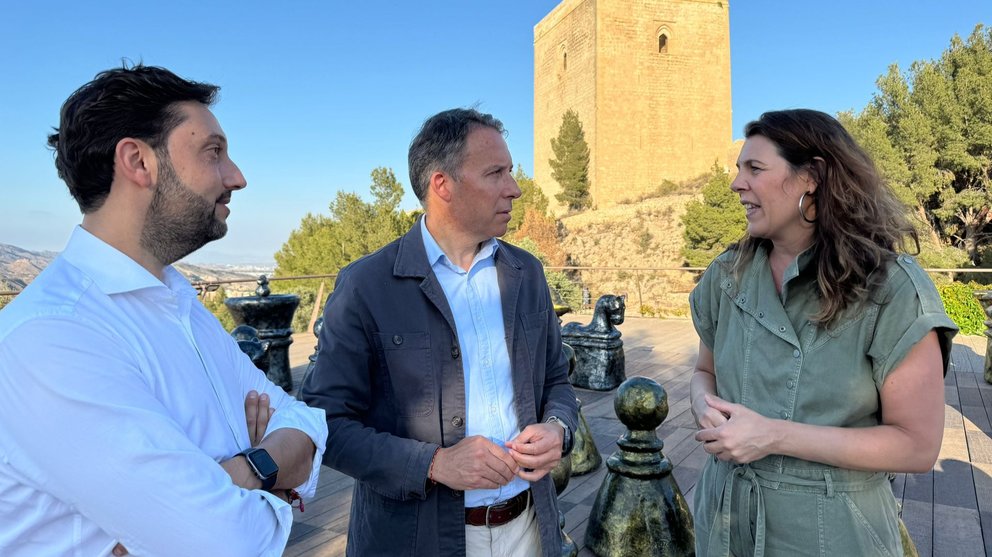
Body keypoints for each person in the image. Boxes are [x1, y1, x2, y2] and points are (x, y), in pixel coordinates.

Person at [0, 64, 327, 556]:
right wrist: (268, 472)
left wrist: (242, 472)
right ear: (138, 162)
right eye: (213, 152)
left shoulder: (177, 301)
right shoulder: (54, 335)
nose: (236, 176)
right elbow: (225, 541)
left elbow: (306, 424)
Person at [302, 108, 578, 557]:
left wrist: (558, 427)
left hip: (530, 530)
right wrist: (434, 463)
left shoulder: (527, 273)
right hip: (417, 541)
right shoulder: (366, 286)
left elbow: (556, 381)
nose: (515, 188)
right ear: (442, 185)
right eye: (496, 173)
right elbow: (323, 424)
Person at [688, 108, 958, 556]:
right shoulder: (725, 275)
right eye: (739, 169)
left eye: (754, 168)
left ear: (811, 176)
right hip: (722, 521)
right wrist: (702, 404)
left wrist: (773, 436)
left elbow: (917, 446)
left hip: (833, 535)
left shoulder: (892, 289)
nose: (737, 183)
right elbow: (704, 370)